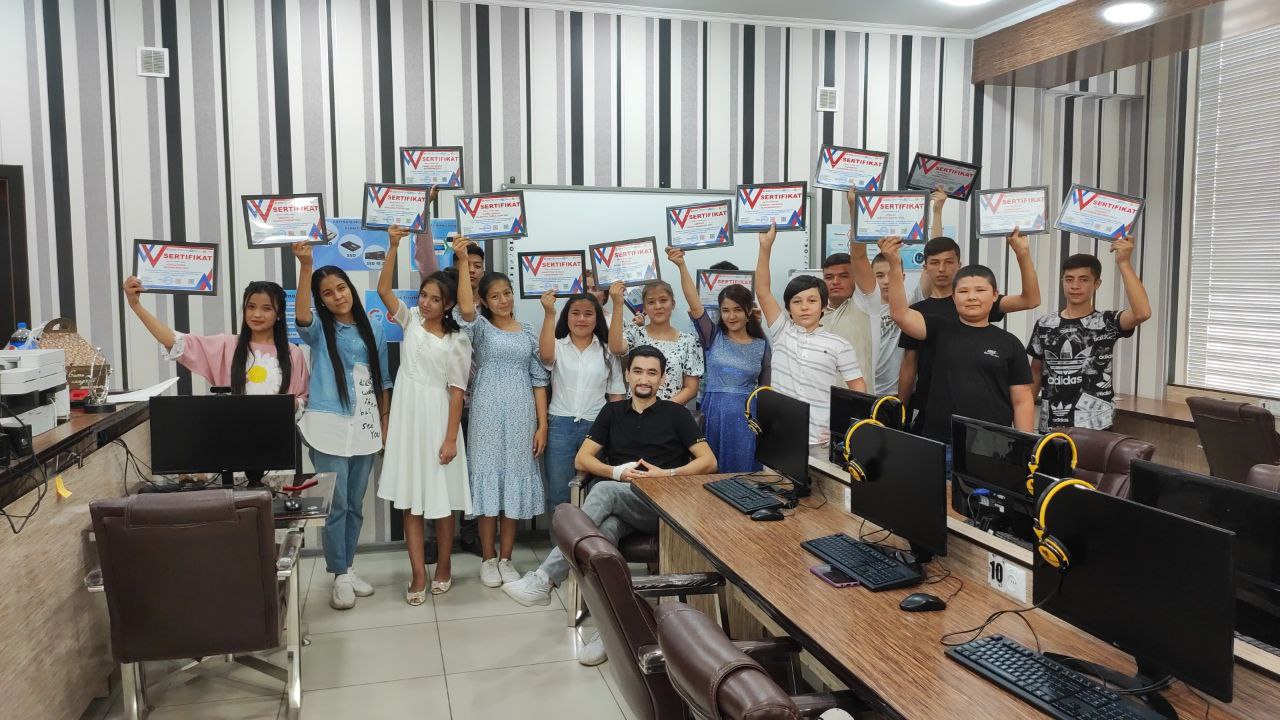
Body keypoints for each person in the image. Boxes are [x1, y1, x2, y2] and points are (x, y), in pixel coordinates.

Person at [502, 345, 718, 664]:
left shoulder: (676, 414)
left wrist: (665, 474)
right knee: (603, 537)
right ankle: (610, 631)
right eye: (638, 371)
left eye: (652, 373)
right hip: (622, 504)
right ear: (628, 375)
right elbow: (582, 459)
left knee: (603, 491)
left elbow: (709, 461)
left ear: (662, 379)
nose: (644, 378)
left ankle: (545, 577)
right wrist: (617, 472)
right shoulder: (612, 412)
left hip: (662, 505)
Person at [292, 242, 392, 610]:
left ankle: (348, 568)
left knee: (354, 505)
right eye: (328, 293)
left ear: (350, 288)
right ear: (321, 300)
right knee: (335, 506)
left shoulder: (373, 329)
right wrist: (306, 266)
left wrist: (384, 424)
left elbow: (383, 381)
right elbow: (302, 317)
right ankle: (338, 575)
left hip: (365, 427)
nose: (337, 296)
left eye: (341, 288)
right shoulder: (320, 329)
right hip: (327, 427)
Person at [376, 226, 472, 603]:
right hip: (407, 420)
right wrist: (393, 245)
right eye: (424, 296)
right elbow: (384, 291)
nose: (427, 303)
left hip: (439, 421)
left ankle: (444, 565)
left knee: (441, 502)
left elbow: (457, 393)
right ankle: (418, 574)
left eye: (435, 299)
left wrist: (450, 439)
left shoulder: (457, 340)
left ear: (448, 304)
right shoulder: (411, 319)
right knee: (410, 501)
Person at [897, 190, 1041, 431]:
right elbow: (909, 364)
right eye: (934, 263)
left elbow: (1031, 300)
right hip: (932, 412)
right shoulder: (921, 313)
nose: (942, 269)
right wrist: (900, 410)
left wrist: (1023, 253)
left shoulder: (980, 304)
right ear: (925, 267)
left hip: (984, 421)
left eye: (949, 262)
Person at [454, 237, 550, 588]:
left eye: (507, 293)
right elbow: (465, 309)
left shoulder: (528, 332)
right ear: (484, 300)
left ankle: (507, 558)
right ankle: (488, 558)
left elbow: (539, 379)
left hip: (523, 412)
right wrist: (462, 261)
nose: (503, 300)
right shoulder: (480, 328)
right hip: (486, 413)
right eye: (494, 296)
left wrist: (542, 426)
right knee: (487, 486)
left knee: (513, 484)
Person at [881, 235, 1035, 444]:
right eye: (963, 291)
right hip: (940, 440)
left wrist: (1025, 446)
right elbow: (900, 314)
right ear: (954, 297)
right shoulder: (938, 329)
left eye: (980, 290)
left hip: (993, 445)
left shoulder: (1010, 343)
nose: (972, 297)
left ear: (994, 295)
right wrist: (894, 263)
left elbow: (1022, 399)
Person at [414, 201, 484, 557]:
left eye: (477, 265)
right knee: (435, 468)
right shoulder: (441, 297)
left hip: (476, 400)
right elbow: (425, 257)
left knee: (469, 470)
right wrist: (423, 210)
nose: (471, 269)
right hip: (440, 401)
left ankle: (470, 533)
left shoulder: (487, 302)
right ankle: (431, 539)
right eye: (465, 262)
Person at [755, 223, 866, 446]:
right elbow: (763, 290)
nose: (804, 307)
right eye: (797, 302)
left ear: (823, 305)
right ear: (788, 308)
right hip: (780, 435)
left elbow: (859, 390)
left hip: (821, 440)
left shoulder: (839, 345)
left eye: (812, 300)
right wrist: (765, 248)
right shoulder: (782, 331)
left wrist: (843, 428)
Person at [1029, 237, 1152, 430]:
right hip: (1051, 426)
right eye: (1069, 279)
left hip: (1096, 427)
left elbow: (1142, 313)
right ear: (1062, 282)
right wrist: (1024, 421)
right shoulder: (1045, 324)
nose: (1075, 286)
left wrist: (1124, 262)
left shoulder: (1106, 322)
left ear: (1097, 284)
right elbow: (1035, 373)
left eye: (1084, 280)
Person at [122, 277, 308, 401]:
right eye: (251, 307)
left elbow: (302, 399)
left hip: (279, 440)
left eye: (266, 308)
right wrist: (136, 305)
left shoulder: (293, 353)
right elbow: (174, 340)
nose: (256, 314)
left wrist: (293, 405)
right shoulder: (226, 345)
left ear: (279, 314)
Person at [667, 246, 769, 472]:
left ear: (748, 311)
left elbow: (766, 391)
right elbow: (694, 304)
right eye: (725, 310)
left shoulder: (762, 345)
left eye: (737, 310)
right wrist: (682, 265)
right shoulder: (712, 336)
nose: (731, 316)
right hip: (714, 414)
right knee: (711, 472)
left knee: (745, 474)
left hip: (748, 420)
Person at [538, 290, 626, 510]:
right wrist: (549, 313)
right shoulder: (557, 345)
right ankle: (561, 533)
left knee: (596, 491)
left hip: (596, 426)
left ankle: (590, 532)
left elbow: (616, 394)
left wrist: (615, 431)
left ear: (597, 318)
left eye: (588, 314)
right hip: (560, 425)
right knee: (559, 492)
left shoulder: (607, 350)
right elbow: (545, 357)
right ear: (566, 317)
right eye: (575, 313)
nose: (581, 319)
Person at [608, 280, 704, 405]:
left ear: (673, 304)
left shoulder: (688, 342)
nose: (658, 306)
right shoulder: (635, 333)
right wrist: (617, 305)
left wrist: (661, 410)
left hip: (670, 413)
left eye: (663, 300)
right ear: (644, 307)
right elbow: (616, 348)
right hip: (635, 412)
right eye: (651, 302)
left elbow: (691, 388)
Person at [819, 252, 874, 387]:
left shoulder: (865, 304)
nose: (835, 282)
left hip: (856, 396)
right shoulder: (813, 315)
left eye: (843, 276)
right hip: (821, 396)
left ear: (855, 278)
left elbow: (860, 257)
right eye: (829, 277)